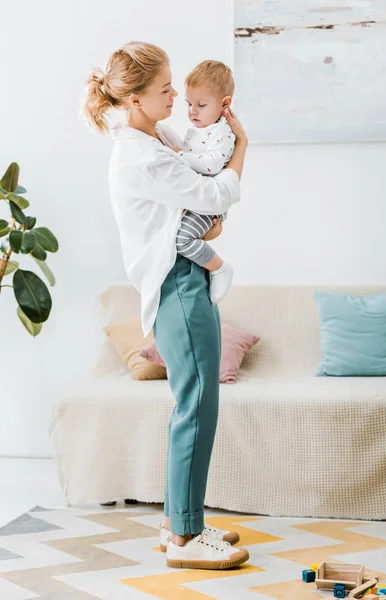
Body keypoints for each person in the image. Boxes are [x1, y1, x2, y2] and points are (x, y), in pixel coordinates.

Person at [81, 41, 249, 570]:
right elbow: (218, 193)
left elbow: (202, 178)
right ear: (133, 100)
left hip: (188, 276)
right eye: (163, 90)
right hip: (177, 282)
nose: (175, 96)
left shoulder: (156, 134)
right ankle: (183, 539)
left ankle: (185, 523)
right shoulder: (142, 155)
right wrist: (242, 142)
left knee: (196, 404)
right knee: (196, 405)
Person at [171, 59, 237, 305]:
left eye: (200, 104)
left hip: (209, 203)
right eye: (189, 104)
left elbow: (211, 165)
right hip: (195, 198)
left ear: (225, 103)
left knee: (182, 240)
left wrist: (178, 155)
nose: (192, 111)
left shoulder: (221, 132)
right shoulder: (196, 130)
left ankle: (219, 268)